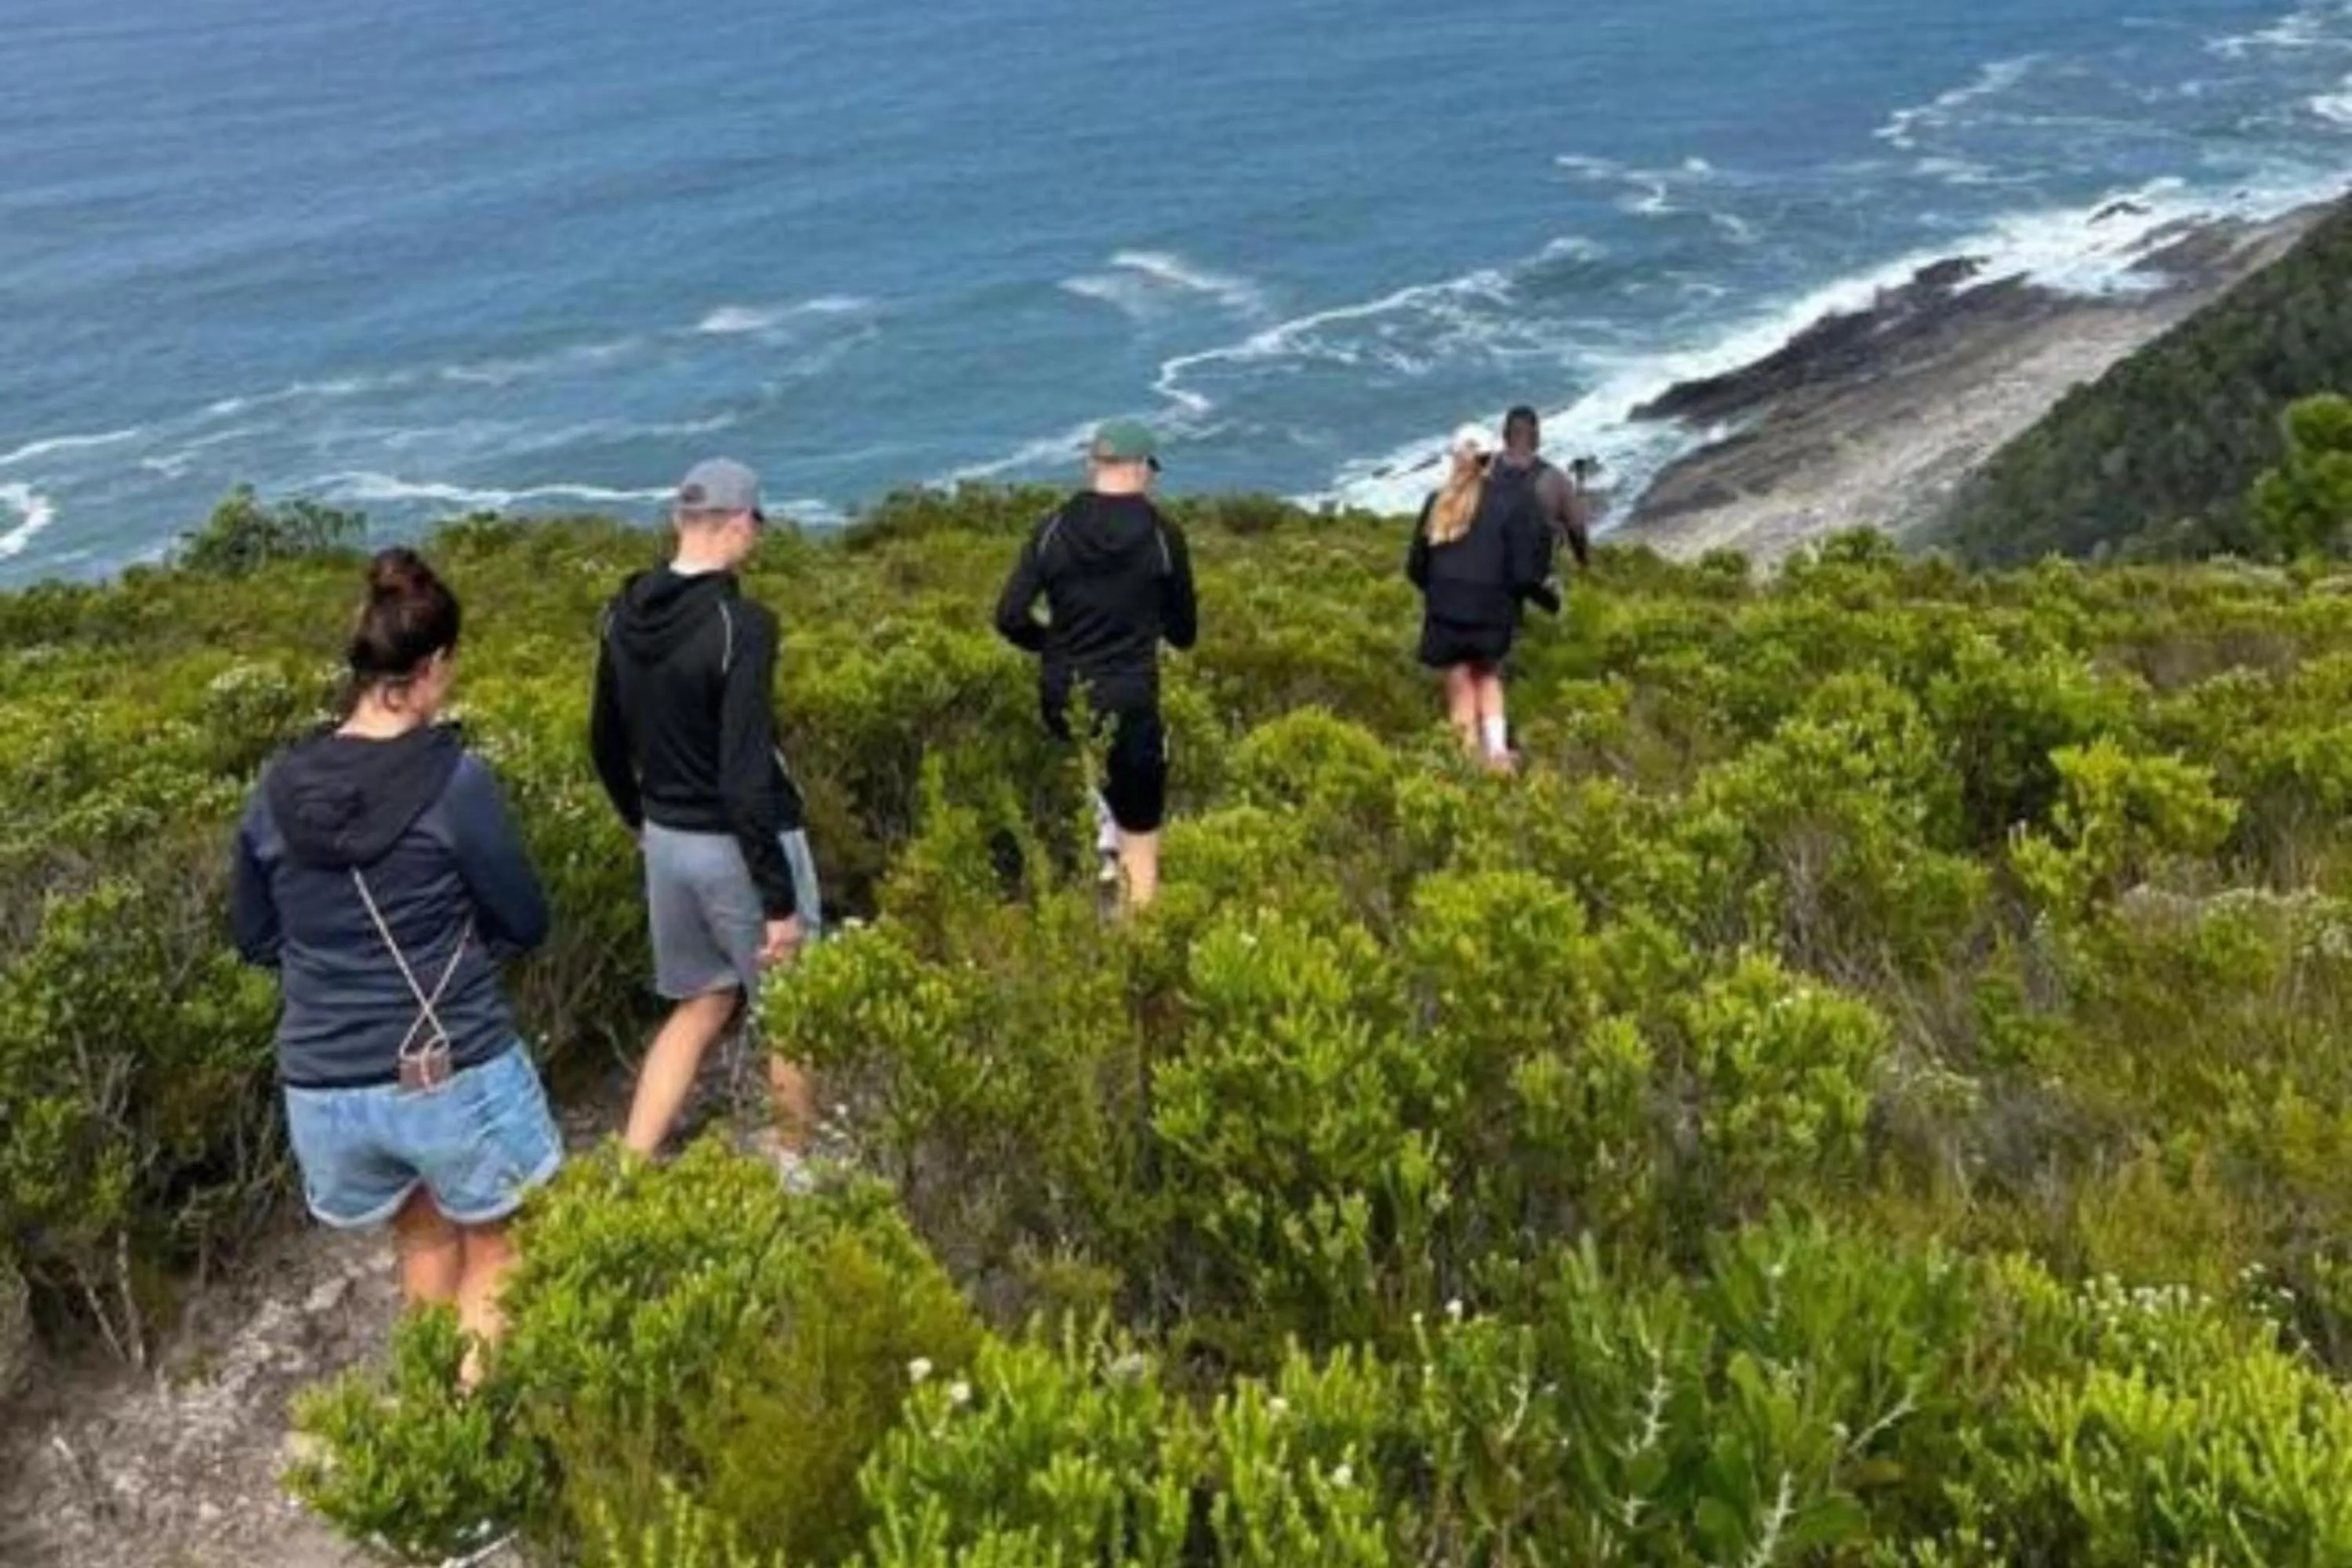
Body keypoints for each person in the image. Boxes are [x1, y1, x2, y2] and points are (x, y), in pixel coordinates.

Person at [232, 548, 558, 1375]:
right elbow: (523, 917)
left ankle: (427, 1428)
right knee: (500, 1244)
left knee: (420, 1232)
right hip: (449, 1067)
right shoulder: (456, 781)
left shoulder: (276, 786)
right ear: (433, 664)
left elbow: (257, 936)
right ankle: (471, 1448)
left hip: (323, 1083)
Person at [590, 458, 823, 1170]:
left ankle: (629, 1170)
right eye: (754, 523)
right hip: (736, 848)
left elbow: (604, 740)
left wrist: (641, 819)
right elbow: (745, 773)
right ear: (734, 524)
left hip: (667, 840)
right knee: (795, 1012)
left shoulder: (621, 613)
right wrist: (779, 901)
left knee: (700, 1001)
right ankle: (796, 1172)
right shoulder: (741, 625)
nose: (755, 536)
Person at [994, 418, 1198, 910]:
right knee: (1141, 838)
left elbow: (1010, 616)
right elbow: (1184, 632)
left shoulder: (1053, 527)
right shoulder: (1161, 534)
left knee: (1096, 800)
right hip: (1130, 700)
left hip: (1064, 700)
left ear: (1092, 465)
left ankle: (1096, 884)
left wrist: (1055, 646)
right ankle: (1136, 948)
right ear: (1142, 468)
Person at [1408, 423, 1555, 770]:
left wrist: (1440, 595)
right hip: (1492, 613)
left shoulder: (1436, 502)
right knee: (1488, 677)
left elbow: (1416, 567)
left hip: (1446, 613)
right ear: (1492, 460)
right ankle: (1498, 756)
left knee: (1459, 682)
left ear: (1456, 459)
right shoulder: (1511, 502)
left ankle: (1465, 763)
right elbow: (1524, 570)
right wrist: (1528, 600)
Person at [1494, 405, 1592, 571]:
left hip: (1488, 578)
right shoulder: (1554, 479)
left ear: (1504, 436)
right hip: (1537, 579)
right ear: (1536, 437)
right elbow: (1577, 530)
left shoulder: (1481, 474)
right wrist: (1583, 564)